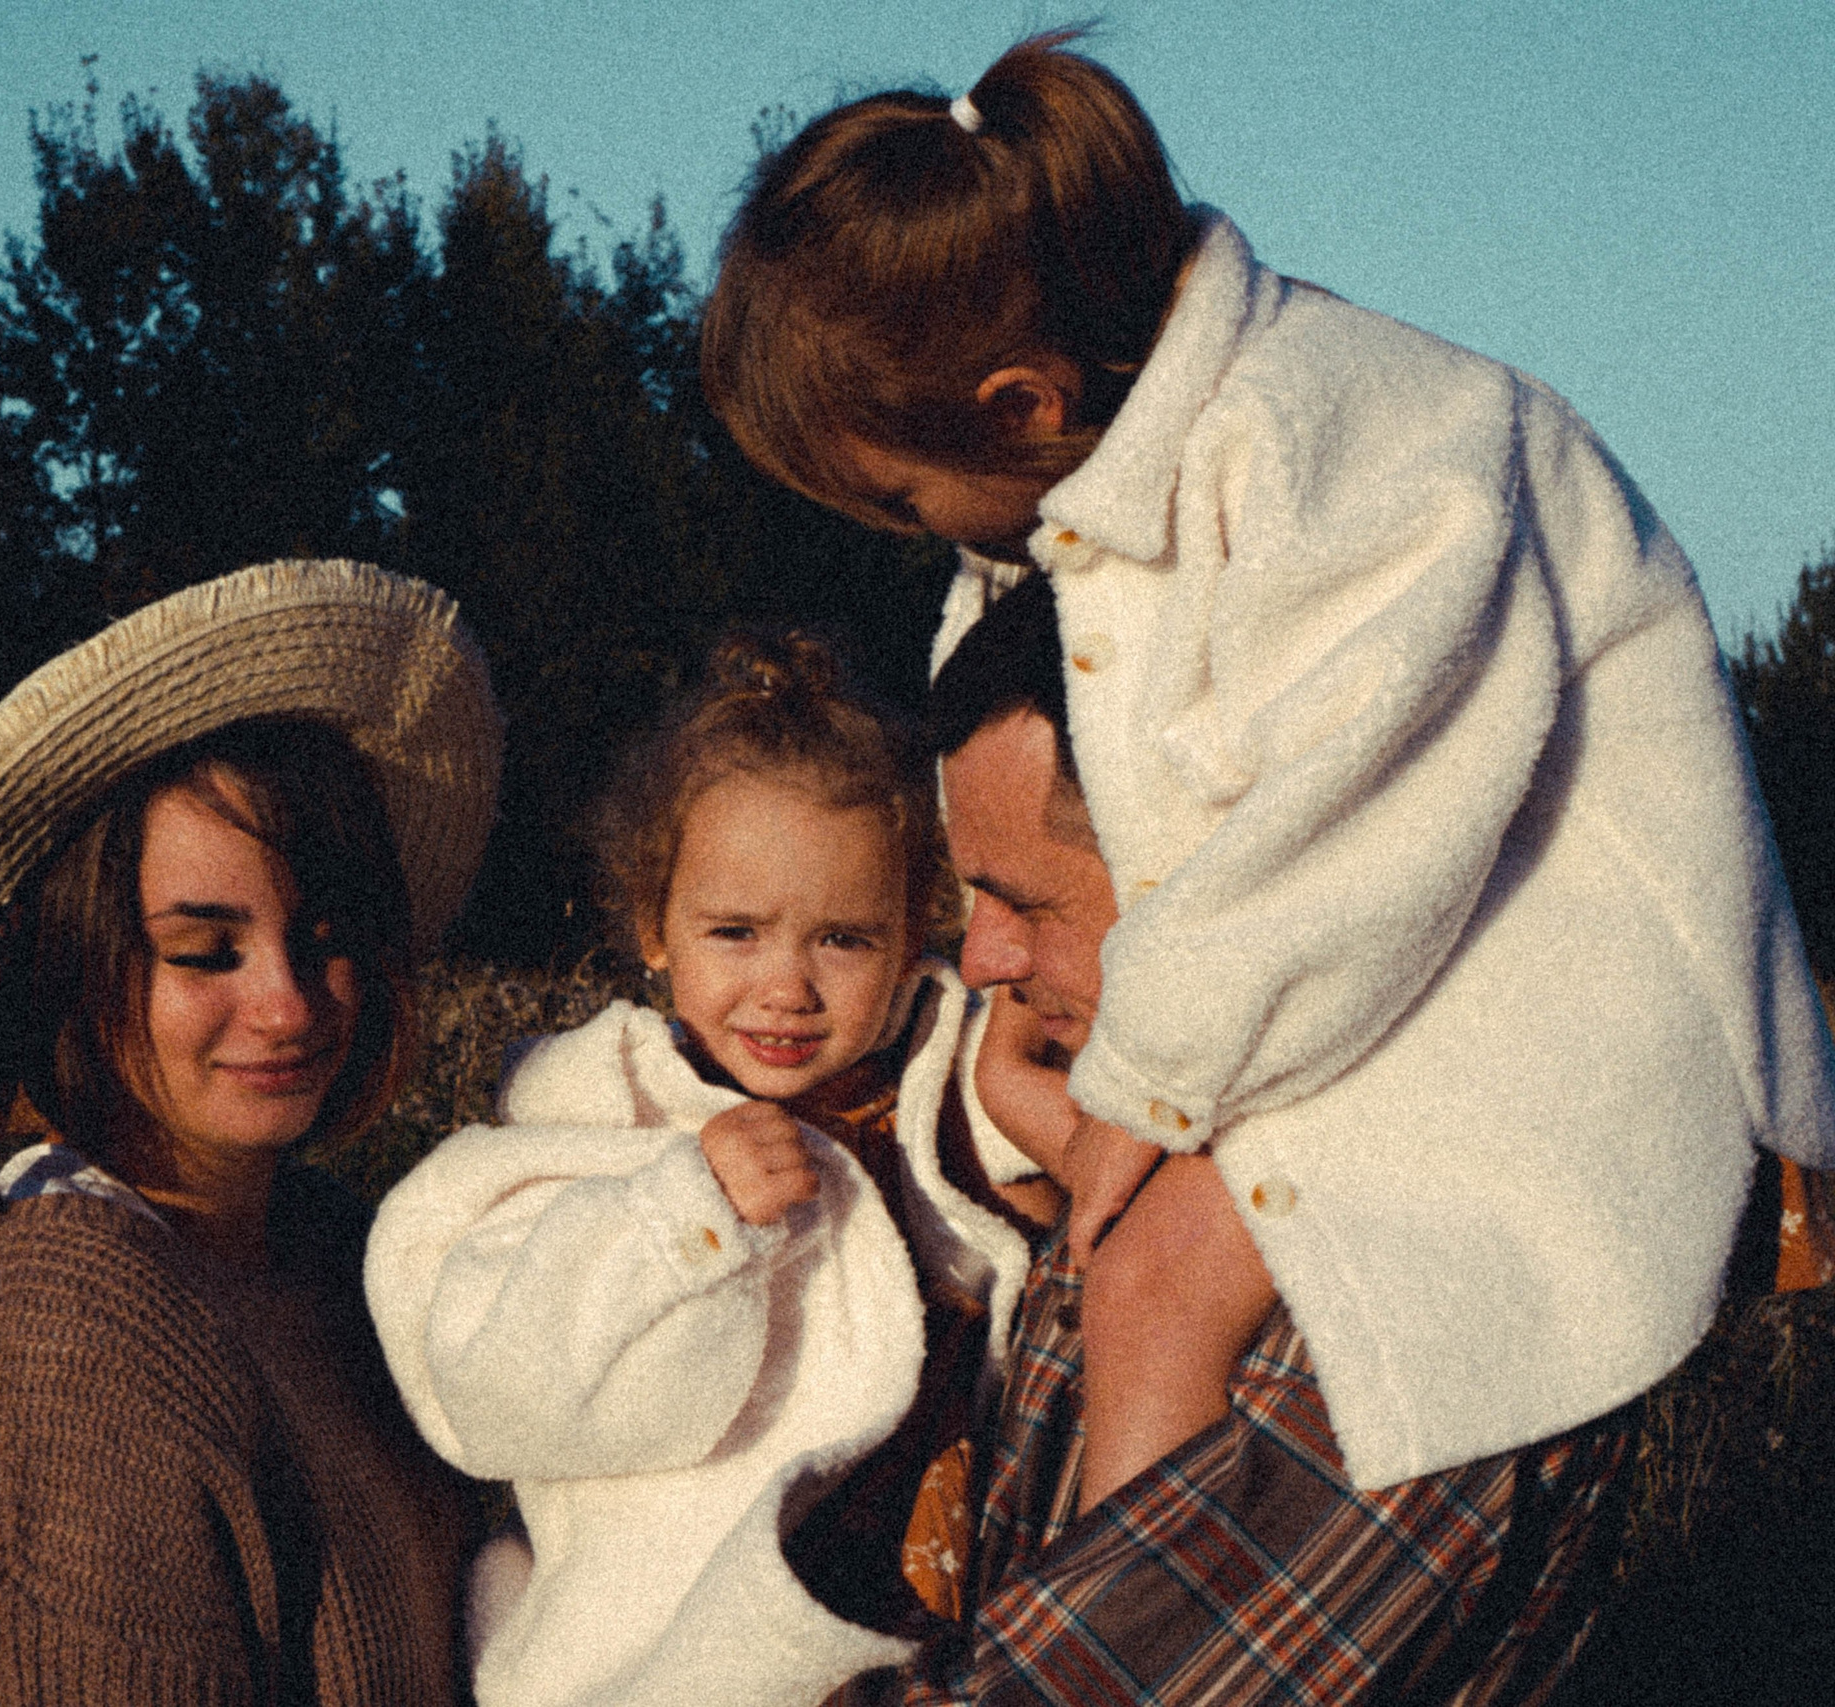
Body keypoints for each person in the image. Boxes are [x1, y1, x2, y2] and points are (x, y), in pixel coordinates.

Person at [701, 30, 1835, 1518]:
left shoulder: (1357, 439)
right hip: (1392, 970)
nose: (914, 535)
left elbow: (1355, 820)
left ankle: (1127, 1616)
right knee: (1095, 1236)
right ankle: (1056, 1578)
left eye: (903, 496)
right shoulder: (1089, 502)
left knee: (1162, 1276)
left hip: (1557, 997)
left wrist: (1151, 1081)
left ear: (1023, 403)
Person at [0, 560, 503, 1707]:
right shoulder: (65, 1353)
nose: (289, 1003)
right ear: (74, 966)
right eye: (203, 950)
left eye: (323, 935)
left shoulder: (332, 1254)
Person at [899, 590, 1641, 1702]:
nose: (985, 962)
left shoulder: (1402, 1289)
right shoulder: (1172, 1149)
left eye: (1025, 903)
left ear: (1221, 876)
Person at [365, 633, 1058, 1707]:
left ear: (916, 929)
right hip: (675, 1641)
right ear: (654, 927)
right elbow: (503, 1388)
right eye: (734, 932)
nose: (786, 987)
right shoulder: (601, 1114)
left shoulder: (938, 1077)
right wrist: (682, 1216)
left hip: (921, 1606)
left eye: (843, 939)